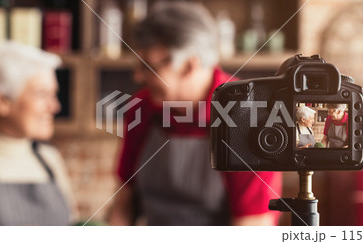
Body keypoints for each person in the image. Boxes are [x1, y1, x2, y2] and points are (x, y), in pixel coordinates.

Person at [108, 2, 282, 226]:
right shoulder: (141, 107)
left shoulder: (248, 117)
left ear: (189, 66)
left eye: (148, 67)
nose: (138, 76)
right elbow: (124, 200)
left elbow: (254, 225)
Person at [0, 42, 77, 225]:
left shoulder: (49, 159)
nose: (54, 106)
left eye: (54, 95)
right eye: (42, 95)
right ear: (1, 101)